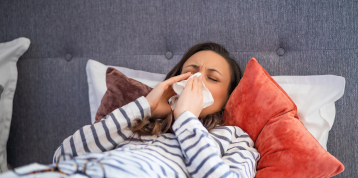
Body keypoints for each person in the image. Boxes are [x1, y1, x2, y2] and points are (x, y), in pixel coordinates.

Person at [52, 42, 260, 178]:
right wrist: (146, 107)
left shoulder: (234, 138)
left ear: (227, 98)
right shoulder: (137, 120)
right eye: (189, 72)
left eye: (212, 78)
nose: (196, 80)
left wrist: (187, 119)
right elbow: (63, 157)